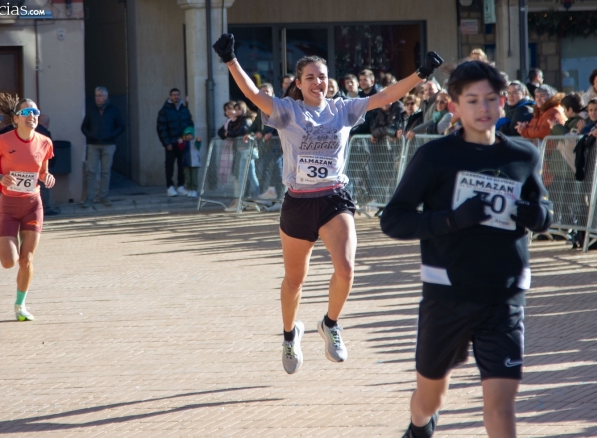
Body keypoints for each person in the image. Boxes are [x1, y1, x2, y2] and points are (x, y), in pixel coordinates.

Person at [212, 32, 442, 374]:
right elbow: (252, 94)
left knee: (346, 269)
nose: (318, 82)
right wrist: (231, 60)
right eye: (310, 77)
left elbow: (387, 94)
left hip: (334, 198)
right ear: (300, 84)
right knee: (295, 279)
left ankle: (330, 324)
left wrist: (421, 74)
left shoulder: (343, 109)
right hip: (299, 203)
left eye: (322, 76)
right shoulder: (288, 111)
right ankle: (290, 335)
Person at [381, 60, 553, 438]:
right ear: (455, 105)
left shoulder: (522, 155)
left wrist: (530, 213)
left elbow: (546, 212)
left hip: (504, 296)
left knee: (501, 412)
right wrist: (452, 219)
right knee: (429, 399)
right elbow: (394, 219)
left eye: (491, 99)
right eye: (472, 100)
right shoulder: (436, 156)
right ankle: (419, 433)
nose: (483, 108)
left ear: (501, 101)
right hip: (448, 296)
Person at [0, 94, 55, 322]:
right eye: (27, 113)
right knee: (9, 262)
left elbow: (42, 171)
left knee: (26, 259)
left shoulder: (45, 142)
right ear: (16, 118)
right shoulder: (3, 140)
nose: (32, 117)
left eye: (35, 113)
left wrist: (47, 177)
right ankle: (1, 234)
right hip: (9, 206)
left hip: (32, 205)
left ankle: (20, 306)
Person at [81, 86, 126, 207]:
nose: (98, 98)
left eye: (100, 96)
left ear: (106, 97)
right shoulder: (91, 110)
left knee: (106, 171)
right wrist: (90, 135)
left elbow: (121, 126)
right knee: (91, 171)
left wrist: (112, 135)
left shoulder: (114, 110)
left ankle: (104, 196)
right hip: (93, 145)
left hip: (109, 145)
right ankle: (89, 198)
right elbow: (84, 126)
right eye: (96, 95)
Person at [157, 88, 194, 197]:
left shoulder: (184, 110)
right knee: (169, 165)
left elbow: (190, 124)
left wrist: (187, 136)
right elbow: (161, 128)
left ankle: (181, 186)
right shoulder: (164, 111)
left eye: (177, 95)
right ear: (170, 97)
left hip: (182, 142)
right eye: (174, 95)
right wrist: (166, 143)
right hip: (171, 143)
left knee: (182, 165)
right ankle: (170, 186)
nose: (176, 97)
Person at [35, 114, 59, 216]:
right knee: (44, 186)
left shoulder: (33, 131)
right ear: (47, 123)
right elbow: (48, 150)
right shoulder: (45, 133)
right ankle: (46, 208)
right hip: (42, 162)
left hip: (33, 162)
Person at [350, 69, 383, 136]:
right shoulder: (359, 96)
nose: (362, 82)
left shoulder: (378, 95)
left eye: (365, 80)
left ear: (372, 81)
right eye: (360, 80)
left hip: (376, 132)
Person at [181, 126, 202, 198]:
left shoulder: (195, 142)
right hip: (186, 162)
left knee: (194, 177)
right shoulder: (184, 143)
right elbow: (181, 147)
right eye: (187, 135)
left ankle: (194, 190)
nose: (189, 136)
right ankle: (189, 189)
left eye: (190, 135)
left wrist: (198, 141)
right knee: (188, 177)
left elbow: (198, 145)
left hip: (195, 163)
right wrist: (181, 142)